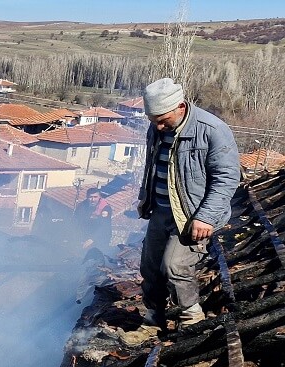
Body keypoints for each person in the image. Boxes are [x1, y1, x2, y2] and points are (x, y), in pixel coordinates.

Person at [137, 77, 240, 328]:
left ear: (180, 107)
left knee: (175, 266)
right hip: (161, 210)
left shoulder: (211, 130)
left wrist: (206, 217)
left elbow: (227, 178)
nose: (158, 127)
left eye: (162, 120)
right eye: (153, 121)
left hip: (192, 214)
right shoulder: (158, 127)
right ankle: (153, 320)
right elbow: (153, 167)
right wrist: (145, 197)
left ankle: (192, 319)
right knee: (150, 267)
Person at [74, 188, 113, 253]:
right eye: (90, 197)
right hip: (86, 234)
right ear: (87, 197)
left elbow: (104, 227)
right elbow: (76, 221)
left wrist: (92, 239)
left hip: (100, 236)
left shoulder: (105, 208)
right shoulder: (82, 206)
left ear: (99, 197)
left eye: (95, 197)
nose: (93, 200)